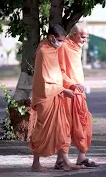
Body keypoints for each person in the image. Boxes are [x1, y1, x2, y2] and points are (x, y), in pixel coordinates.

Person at [29, 24, 83, 172]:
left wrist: (70, 84)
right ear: (52, 37)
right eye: (59, 40)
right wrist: (63, 90)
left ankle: (64, 161)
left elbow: (58, 73)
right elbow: (45, 79)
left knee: (63, 127)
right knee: (41, 129)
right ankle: (36, 164)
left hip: (57, 95)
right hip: (46, 96)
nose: (61, 43)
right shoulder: (43, 52)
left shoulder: (53, 49)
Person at [55, 24, 99, 169]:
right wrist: (71, 84)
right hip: (67, 92)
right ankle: (61, 160)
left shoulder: (76, 47)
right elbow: (59, 70)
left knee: (84, 122)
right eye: (82, 36)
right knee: (66, 125)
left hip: (79, 93)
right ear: (73, 34)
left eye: (87, 37)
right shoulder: (64, 47)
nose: (84, 40)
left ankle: (81, 157)